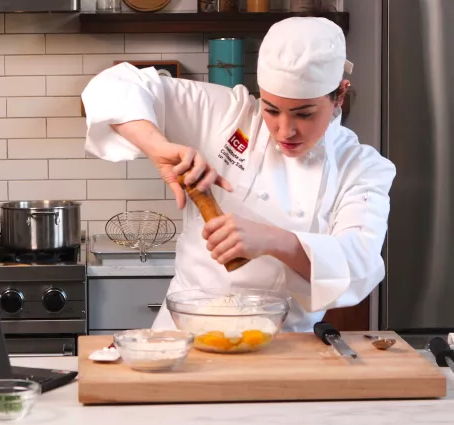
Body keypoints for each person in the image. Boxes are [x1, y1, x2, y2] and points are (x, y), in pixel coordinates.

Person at [80, 17, 396, 332]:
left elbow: (359, 266)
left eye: (304, 113)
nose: (285, 131)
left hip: (281, 345)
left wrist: (274, 240)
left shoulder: (362, 167)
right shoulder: (229, 114)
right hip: (184, 335)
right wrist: (157, 146)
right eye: (272, 109)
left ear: (339, 94)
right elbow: (114, 85)